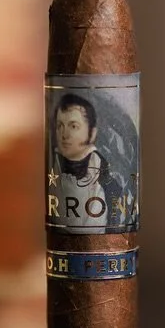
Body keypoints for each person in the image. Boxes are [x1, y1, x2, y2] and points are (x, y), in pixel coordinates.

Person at [50, 93, 127, 231]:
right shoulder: (50, 171)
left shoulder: (109, 183)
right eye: (60, 125)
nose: (64, 134)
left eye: (73, 126)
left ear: (92, 133)